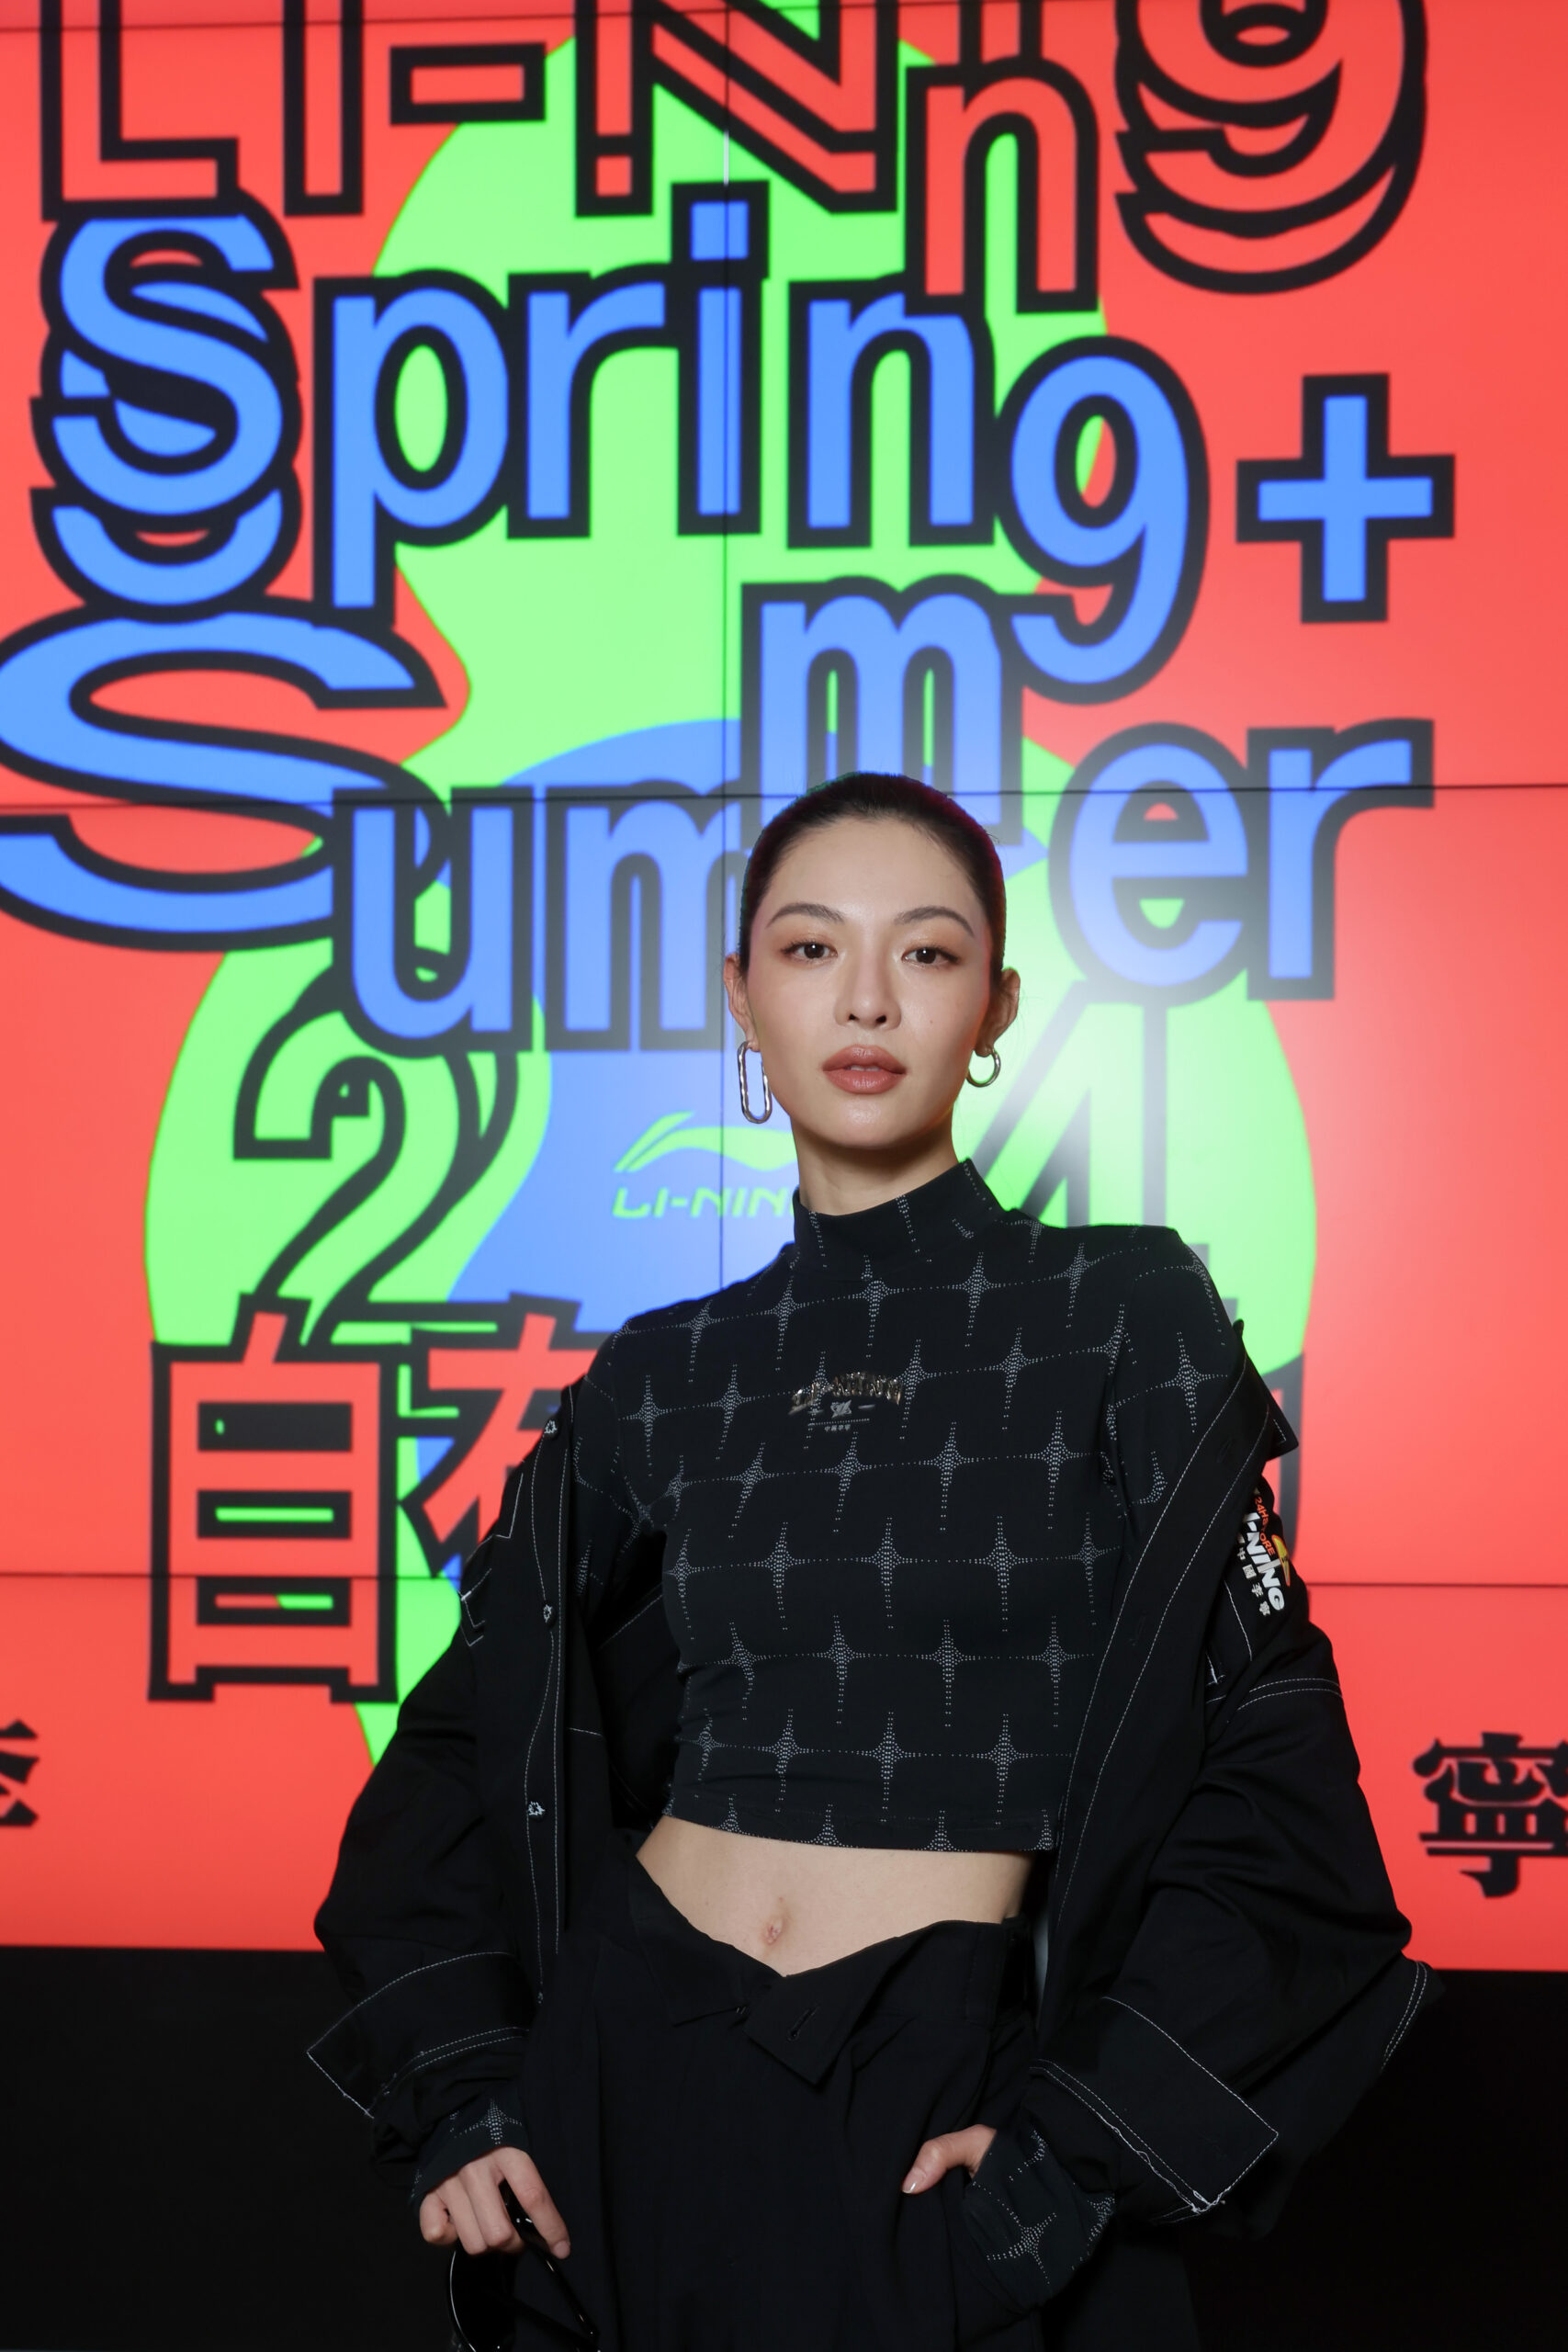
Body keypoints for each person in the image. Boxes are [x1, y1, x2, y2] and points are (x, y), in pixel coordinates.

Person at [311, 773, 1431, 2351]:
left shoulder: (1122, 1312)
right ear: (740, 997)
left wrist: (1081, 2143)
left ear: (996, 1007)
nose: (864, 999)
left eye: (925, 951)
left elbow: (1271, 1759)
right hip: (628, 2073)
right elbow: (462, 1737)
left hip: (939, 2090)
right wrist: (466, 2084)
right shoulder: (663, 1372)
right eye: (809, 947)